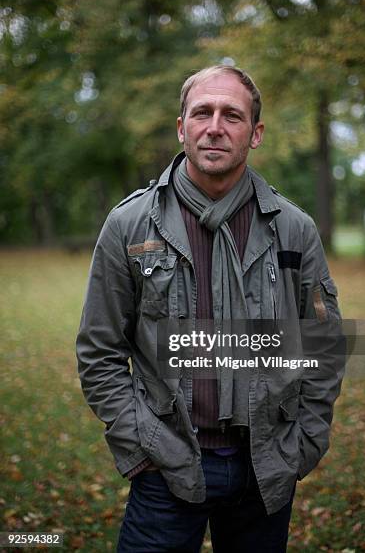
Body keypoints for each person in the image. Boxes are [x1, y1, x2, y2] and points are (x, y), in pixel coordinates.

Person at [76, 65, 344, 552]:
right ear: (182, 127)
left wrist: (304, 440)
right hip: (166, 466)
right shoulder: (129, 225)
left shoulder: (294, 230)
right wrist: (141, 445)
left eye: (232, 115)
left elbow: (323, 343)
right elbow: (100, 350)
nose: (215, 125)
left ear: (255, 133)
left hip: (264, 468)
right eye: (202, 112)